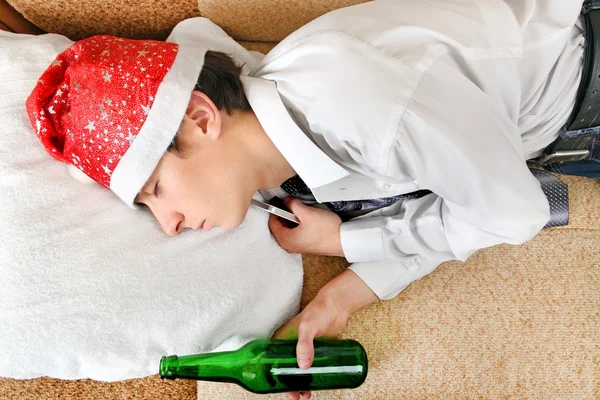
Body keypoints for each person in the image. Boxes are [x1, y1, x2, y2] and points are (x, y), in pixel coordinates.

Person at [28, 1, 593, 399]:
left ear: (200, 118)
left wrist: (349, 240)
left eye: (156, 191)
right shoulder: (278, 158)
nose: (169, 225)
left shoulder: (358, 105)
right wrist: (347, 294)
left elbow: (512, 212)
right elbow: (453, 199)